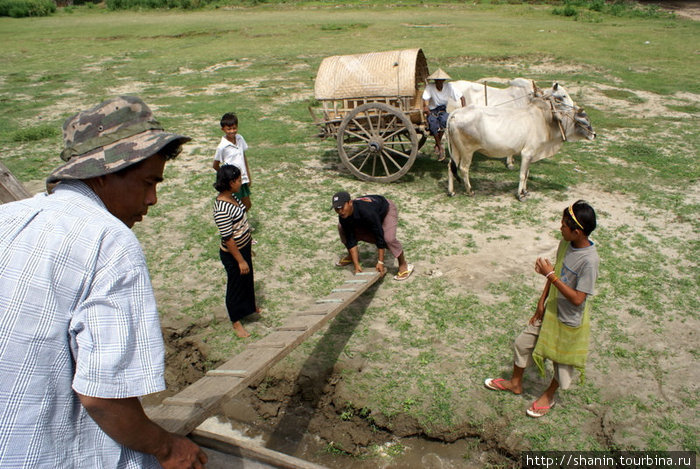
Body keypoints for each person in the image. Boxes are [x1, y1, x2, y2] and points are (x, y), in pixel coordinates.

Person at [0, 96, 208, 468]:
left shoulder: (10, 218)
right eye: (148, 182)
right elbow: (102, 398)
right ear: (104, 173)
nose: (153, 199)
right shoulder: (110, 241)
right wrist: (167, 447)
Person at [483, 200, 599, 418]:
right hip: (551, 310)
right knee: (522, 343)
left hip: (568, 320)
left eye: (564, 226)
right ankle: (515, 383)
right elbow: (556, 270)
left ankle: (549, 395)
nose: (560, 228)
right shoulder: (566, 243)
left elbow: (577, 299)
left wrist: (550, 276)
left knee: (561, 364)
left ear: (577, 232)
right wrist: (542, 301)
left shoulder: (590, 262)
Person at [213, 164, 260, 338]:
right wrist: (240, 260)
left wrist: (248, 247)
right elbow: (228, 238)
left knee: (247, 279)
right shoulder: (222, 209)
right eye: (239, 180)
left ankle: (249, 307)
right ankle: (236, 321)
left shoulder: (234, 197)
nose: (241, 182)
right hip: (233, 254)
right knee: (235, 285)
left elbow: (241, 225)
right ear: (230, 182)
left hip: (244, 247)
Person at [332, 191, 414, 281]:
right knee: (342, 227)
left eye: (342, 207)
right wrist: (356, 265)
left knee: (388, 239)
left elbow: (379, 234)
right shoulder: (343, 216)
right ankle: (351, 256)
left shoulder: (367, 212)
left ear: (350, 203)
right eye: (337, 209)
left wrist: (380, 262)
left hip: (385, 208)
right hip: (367, 215)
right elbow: (351, 239)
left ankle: (403, 264)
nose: (340, 211)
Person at [212, 112, 253, 213]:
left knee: (247, 204)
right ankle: (238, 225)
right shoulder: (222, 146)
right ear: (223, 129)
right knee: (236, 205)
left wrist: (248, 175)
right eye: (229, 129)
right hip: (232, 183)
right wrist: (227, 177)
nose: (232, 131)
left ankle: (242, 223)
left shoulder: (240, 139)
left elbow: (243, 157)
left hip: (242, 179)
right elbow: (215, 165)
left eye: (234, 128)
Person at [422, 68, 466, 161]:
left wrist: (464, 109)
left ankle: (437, 144)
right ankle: (440, 146)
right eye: (437, 81)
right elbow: (425, 100)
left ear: (443, 81)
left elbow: (462, 97)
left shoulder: (449, 87)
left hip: (442, 110)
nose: (439, 83)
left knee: (444, 121)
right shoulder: (430, 87)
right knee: (433, 123)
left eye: (441, 81)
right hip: (432, 110)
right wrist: (426, 108)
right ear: (434, 81)